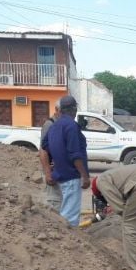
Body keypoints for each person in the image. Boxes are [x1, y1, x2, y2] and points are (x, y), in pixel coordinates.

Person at [41, 95, 89, 226]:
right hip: (71, 176)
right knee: (70, 219)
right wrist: (85, 176)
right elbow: (75, 154)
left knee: (64, 212)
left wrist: (57, 159)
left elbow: (45, 147)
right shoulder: (72, 126)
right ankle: (66, 245)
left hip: (60, 175)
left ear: (60, 110)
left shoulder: (54, 127)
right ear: (74, 110)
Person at [39, 101, 62, 210]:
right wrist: (48, 173)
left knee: (62, 202)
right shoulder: (50, 125)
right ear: (57, 110)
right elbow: (43, 151)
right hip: (52, 172)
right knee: (55, 202)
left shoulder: (61, 124)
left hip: (60, 172)